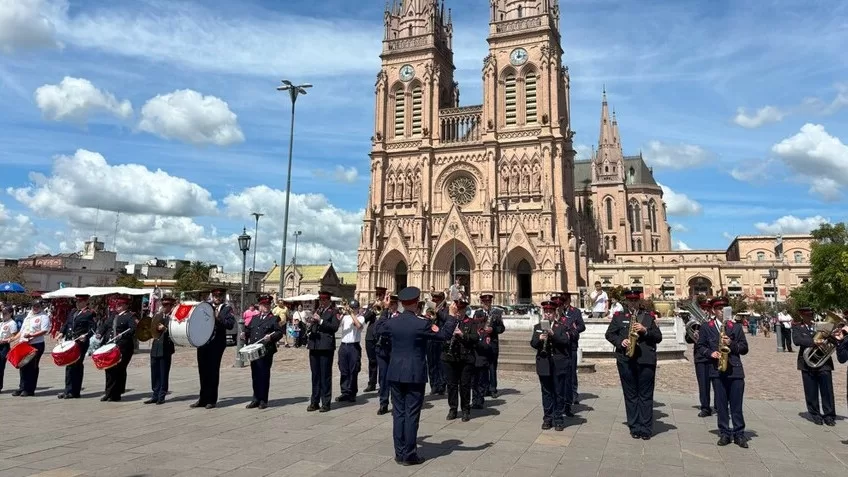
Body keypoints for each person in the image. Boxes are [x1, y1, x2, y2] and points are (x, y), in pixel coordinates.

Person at [378, 286, 456, 466]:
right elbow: (444, 335)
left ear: (403, 303)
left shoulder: (393, 322)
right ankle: (410, 455)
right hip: (414, 375)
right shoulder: (422, 324)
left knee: (398, 414)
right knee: (411, 414)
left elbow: (378, 329)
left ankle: (399, 453)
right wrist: (452, 316)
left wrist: (384, 309)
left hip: (395, 374)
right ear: (416, 302)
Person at [605, 289, 662, 440]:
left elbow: (658, 337)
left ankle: (646, 428)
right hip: (626, 360)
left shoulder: (648, 317)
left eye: (635, 300)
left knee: (645, 395)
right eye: (630, 301)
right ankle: (634, 426)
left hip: (645, 360)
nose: (632, 303)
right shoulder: (619, 317)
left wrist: (645, 330)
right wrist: (620, 341)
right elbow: (609, 334)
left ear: (639, 301)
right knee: (630, 395)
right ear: (626, 301)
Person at [698, 297, 749, 448]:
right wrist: (710, 353)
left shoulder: (736, 327)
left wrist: (731, 344)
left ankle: (739, 434)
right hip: (717, 370)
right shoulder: (707, 327)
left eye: (724, 308)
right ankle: (724, 433)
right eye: (719, 308)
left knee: (736, 405)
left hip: (735, 370)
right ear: (713, 310)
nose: (722, 311)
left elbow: (744, 348)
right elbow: (700, 346)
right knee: (721, 405)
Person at [531, 301, 575, 431]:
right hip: (544, 364)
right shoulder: (538, 327)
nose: (548, 314)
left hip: (558, 364)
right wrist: (539, 339)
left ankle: (559, 419)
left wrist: (552, 335)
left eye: (550, 312)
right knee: (546, 392)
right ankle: (547, 418)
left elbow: (565, 341)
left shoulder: (561, 326)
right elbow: (533, 344)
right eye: (546, 312)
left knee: (559, 392)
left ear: (555, 313)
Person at [792, 307, 836, 426]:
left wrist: (829, 335)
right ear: (802, 316)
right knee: (810, 390)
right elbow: (797, 340)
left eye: (811, 315)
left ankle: (829, 415)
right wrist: (814, 342)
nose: (810, 317)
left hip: (824, 362)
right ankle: (815, 414)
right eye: (807, 315)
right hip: (807, 362)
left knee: (827, 390)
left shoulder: (821, 326)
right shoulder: (797, 327)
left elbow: (834, 340)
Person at [193, 288, 235, 409]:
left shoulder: (226, 309)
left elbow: (230, 324)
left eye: (220, 296)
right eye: (215, 296)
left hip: (216, 343)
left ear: (223, 297)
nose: (217, 298)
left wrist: (218, 319)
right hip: (203, 342)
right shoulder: (205, 306)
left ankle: (211, 399)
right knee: (202, 370)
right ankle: (202, 398)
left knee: (213, 371)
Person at [244, 295, 284, 409]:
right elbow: (249, 330)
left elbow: (279, 332)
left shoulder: (273, 318)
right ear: (260, 306)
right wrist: (244, 334)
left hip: (265, 351)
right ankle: (255, 398)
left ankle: (263, 400)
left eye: (268, 304)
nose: (266, 306)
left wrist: (271, 338)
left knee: (263, 375)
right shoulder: (255, 318)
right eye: (264, 305)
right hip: (254, 350)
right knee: (255, 375)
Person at [97, 295, 136, 402]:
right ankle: (108, 393)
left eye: (120, 305)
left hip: (122, 347)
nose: (118, 307)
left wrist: (122, 335)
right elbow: (105, 326)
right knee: (109, 369)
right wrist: (99, 333)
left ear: (125, 306)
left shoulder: (130, 317)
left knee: (119, 370)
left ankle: (116, 394)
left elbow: (132, 329)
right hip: (110, 346)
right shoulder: (113, 316)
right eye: (117, 305)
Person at [57, 294, 97, 400]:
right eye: (77, 301)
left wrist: (86, 335)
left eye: (80, 301)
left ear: (85, 302)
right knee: (69, 365)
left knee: (77, 365)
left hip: (80, 343)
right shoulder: (73, 312)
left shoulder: (89, 313)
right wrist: (61, 332)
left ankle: (75, 391)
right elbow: (67, 324)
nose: (77, 303)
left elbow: (93, 328)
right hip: (70, 341)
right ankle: (68, 390)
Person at [306, 290, 340, 412]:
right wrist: (310, 323)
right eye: (320, 300)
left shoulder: (334, 311)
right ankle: (314, 401)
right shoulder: (318, 310)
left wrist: (320, 321)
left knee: (325, 375)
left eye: (324, 300)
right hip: (314, 344)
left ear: (329, 300)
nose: (322, 302)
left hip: (326, 346)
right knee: (315, 375)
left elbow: (334, 327)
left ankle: (326, 402)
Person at [12, 300, 50, 397]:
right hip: (24, 343)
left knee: (32, 367)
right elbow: (22, 330)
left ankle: (29, 389)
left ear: (41, 307)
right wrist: (14, 339)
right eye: (33, 306)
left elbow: (44, 331)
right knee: (23, 365)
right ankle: (22, 387)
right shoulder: (28, 316)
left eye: (37, 306)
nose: (35, 308)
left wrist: (31, 335)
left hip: (36, 344)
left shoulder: (43, 316)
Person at [146, 295, 176, 405]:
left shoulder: (173, 317)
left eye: (166, 305)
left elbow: (175, 332)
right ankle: (154, 394)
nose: (163, 307)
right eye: (162, 304)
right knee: (154, 372)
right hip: (155, 346)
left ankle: (161, 395)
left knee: (163, 372)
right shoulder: (158, 315)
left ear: (171, 306)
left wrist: (165, 329)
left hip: (166, 347)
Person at [685, 300, 713, 418]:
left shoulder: (715, 322)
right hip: (701, 357)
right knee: (703, 383)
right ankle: (705, 407)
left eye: (707, 309)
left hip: (714, 355)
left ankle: (718, 404)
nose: (705, 311)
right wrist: (694, 335)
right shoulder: (695, 324)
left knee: (718, 383)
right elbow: (688, 339)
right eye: (703, 309)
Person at [374, 294, 399, 415]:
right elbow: (376, 330)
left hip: (395, 351)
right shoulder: (384, 315)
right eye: (390, 304)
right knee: (383, 378)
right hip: (383, 350)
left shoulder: (400, 317)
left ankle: (396, 403)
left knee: (395, 378)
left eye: (393, 304)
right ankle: (383, 403)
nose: (391, 306)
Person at [476, 293, 505, 399]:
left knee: (492, 367)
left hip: (492, 343)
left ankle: (493, 388)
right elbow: (474, 326)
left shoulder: (496, 313)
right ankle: (484, 388)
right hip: (482, 344)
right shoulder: (478, 313)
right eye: (485, 302)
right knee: (482, 367)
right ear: (481, 303)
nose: (487, 304)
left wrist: (493, 330)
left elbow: (501, 328)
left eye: (489, 302)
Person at [559, 292, 585, 405]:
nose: (564, 303)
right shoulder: (558, 311)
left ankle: (573, 394)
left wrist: (574, 330)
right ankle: (563, 393)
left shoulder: (576, 311)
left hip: (572, 345)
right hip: (560, 346)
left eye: (565, 301)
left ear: (569, 300)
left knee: (572, 372)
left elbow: (582, 326)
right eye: (562, 301)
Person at [337, 300, 364, 402]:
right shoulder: (345, 317)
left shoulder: (360, 317)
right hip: (344, 345)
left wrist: (352, 313)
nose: (352, 309)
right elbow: (337, 325)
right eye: (351, 307)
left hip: (354, 346)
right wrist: (342, 313)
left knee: (353, 370)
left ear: (357, 308)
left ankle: (352, 392)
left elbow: (358, 326)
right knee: (343, 369)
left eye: (354, 307)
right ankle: (344, 392)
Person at [363, 286, 387, 393]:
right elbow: (365, 318)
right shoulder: (371, 306)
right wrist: (373, 309)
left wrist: (384, 308)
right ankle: (371, 383)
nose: (378, 297)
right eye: (377, 295)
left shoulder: (387, 307)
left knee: (382, 361)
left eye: (380, 295)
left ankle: (383, 384)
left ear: (384, 295)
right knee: (372, 361)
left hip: (382, 336)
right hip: (370, 336)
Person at [426, 291, 447, 395]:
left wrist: (438, 312)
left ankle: (442, 385)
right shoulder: (430, 309)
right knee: (431, 363)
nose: (435, 301)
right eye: (434, 300)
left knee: (441, 363)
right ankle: (434, 384)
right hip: (431, 339)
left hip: (441, 339)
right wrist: (429, 316)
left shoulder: (445, 309)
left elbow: (446, 319)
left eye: (437, 300)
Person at [0, 305, 19, 393]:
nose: (3, 314)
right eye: (2, 313)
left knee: (0, 367)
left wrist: (5, 340)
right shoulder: (2, 323)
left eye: (5, 313)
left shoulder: (12, 323)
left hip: (4, 346)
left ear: (10, 313)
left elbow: (14, 336)